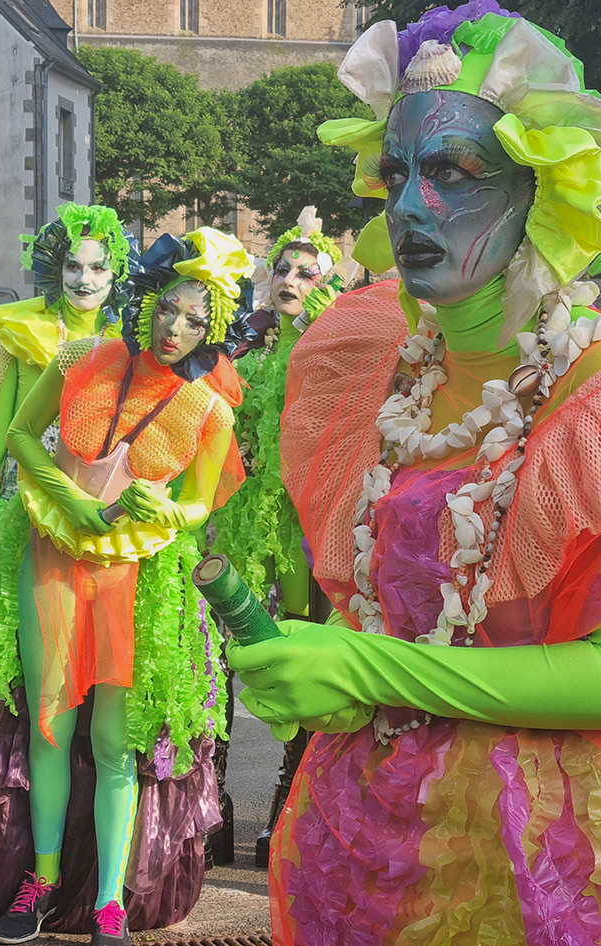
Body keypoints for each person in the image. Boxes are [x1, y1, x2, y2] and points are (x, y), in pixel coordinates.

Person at [228, 3, 601, 946]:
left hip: (537, 864)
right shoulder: (372, 366)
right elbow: (395, 601)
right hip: (356, 848)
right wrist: (323, 671)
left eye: (453, 173)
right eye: (396, 174)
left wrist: (364, 666)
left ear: (542, 192)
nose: (410, 206)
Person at [0, 228, 253, 946]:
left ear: (213, 329)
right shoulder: (79, 356)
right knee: (51, 724)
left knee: (113, 742)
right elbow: (23, 437)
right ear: (148, 302)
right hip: (52, 553)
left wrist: (172, 512)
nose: (175, 326)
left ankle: (108, 907)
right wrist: (70, 494)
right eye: (168, 308)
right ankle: (42, 880)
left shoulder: (211, 410)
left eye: (196, 318)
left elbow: (200, 504)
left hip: (136, 578)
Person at [0, 203, 134, 717]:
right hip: (25, 512)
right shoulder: (23, 331)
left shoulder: (134, 342)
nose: (85, 279)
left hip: (103, 516)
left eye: (98, 267)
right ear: (55, 268)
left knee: (102, 671)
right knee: (39, 668)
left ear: (118, 272)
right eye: (73, 265)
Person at [212, 207, 346, 866]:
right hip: (241, 522)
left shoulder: (331, 348)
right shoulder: (246, 343)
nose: (290, 277)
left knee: (299, 660)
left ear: (325, 281)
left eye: (306, 270)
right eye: (283, 267)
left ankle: (285, 813)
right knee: (216, 658)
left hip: (302, 529)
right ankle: (211, 808)